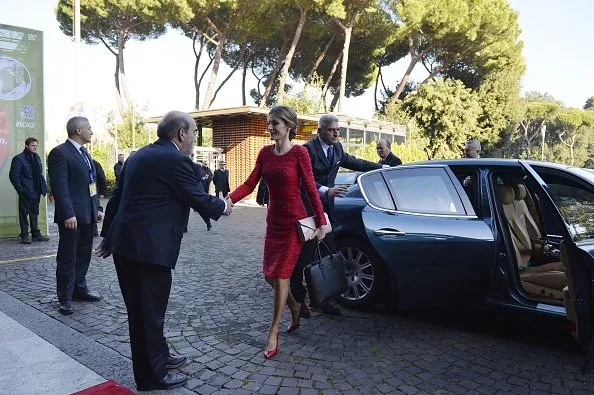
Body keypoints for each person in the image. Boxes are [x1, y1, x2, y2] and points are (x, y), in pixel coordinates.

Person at [96, 111, 231, 391]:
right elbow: (197, 198)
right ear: (181, 133)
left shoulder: (141, 155)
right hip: (148, 250)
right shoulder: (175, 159)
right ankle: (151, 376)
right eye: (193, 132)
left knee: (149, 310)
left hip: (130, 245)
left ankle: (161, 356)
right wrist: (223, 207)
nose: (194, 138)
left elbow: (117, 199)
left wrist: (110, 236)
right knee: (147, 314)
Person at [228, 105, 327, 360]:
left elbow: (311, 188)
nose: (270, 127)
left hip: (294, 224)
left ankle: (273, 332)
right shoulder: (264, 153)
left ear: (289, 127)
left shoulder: (300, 154)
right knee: (269, 277)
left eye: (275, 123)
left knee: (282, 277)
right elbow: (250, 183)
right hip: (274, 223)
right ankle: (294, 306)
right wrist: (230, 199)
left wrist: (321, 220)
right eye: (269, 122)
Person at [291, 113, 383, 317]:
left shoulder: (338, 149)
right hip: (306, 209)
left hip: (327, 211)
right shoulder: (306, 150)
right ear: (320, 131)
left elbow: (358, 163)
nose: (336, 133)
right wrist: (325, 190)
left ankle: (323, 299)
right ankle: (297, 300)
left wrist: (384, 167)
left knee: (328, 253)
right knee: (304, 256)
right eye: (332, 130)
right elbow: (300, 180)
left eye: (338, 130)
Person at [48, 116, 102, 316]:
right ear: (78, 130)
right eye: (89, 128)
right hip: (71, 217)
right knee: (67, 257)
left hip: (87, 214)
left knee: (83, 255)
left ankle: (80, 289)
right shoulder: (60, 153)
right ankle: (65, 298)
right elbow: (59, 186)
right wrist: (68, 213)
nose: (91, 131)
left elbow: (91, 183)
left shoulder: (85, 153)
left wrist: (97, 208)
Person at [9, 137, 49, 244]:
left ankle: (36, 234)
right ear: (26, 145)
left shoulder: (37, 158)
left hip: (36, 190)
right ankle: (25, 235)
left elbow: (40, 174)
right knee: (24, 214)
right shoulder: (19, 158)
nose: (35, 147)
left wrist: (44, 187)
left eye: (36, 145)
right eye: (32, 145)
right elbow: (13, 176)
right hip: (26, 191)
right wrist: (21, 190)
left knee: (34, 213)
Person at [92, 159, 108, 237]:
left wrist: (103, 191)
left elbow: (101, 177)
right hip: (92, 191)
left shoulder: (95, 163)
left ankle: (94, 230)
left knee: (94, 208)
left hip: (94, 191)